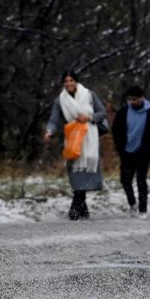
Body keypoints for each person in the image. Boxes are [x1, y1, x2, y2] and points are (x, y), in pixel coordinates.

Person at [44, 71, 109, 220]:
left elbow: (102, 113)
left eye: (71, 80)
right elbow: (54, 120)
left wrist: (89, 117)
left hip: (89, 138)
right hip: (73, 138)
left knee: (84, 173)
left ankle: (74, 210)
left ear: (76, 82)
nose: (68, 84)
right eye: (66, 81)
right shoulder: (60, 100)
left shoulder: (89, 94)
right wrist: (49, 131)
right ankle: (83, 209)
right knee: (75, 174)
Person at [111, 85, 150, 219]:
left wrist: (149, 147)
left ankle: (143, 209)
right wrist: (120, 147)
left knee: (141, 179)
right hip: (127, 152)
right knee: (125, 180)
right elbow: (116, 131)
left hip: (143, 152)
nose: (132, 102)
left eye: (135, 99)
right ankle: (132, 203)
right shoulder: (123, 113)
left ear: (142, 98)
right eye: (129, 99)